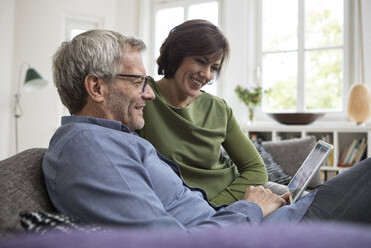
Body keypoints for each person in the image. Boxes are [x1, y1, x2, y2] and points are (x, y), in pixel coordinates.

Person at [43, 29, 371, 232]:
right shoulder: (90, 148)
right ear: (96, 87)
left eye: (214, 67)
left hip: (246, 220)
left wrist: (248, 207)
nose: (148, 92)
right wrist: (251, 208)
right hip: (258, 230)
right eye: (137, 81)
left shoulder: (111, 138)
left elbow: (249, 171)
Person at [137, 19, 267, 206]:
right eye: (200, 61)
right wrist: (209, 213)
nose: (207, 74)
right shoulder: (143, 97)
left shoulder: (218, 107)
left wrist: (214, 208)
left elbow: (256, 169)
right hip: (193, 212)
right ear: (176, 55)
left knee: (307, 201)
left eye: (214, 67)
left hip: (235, 197)